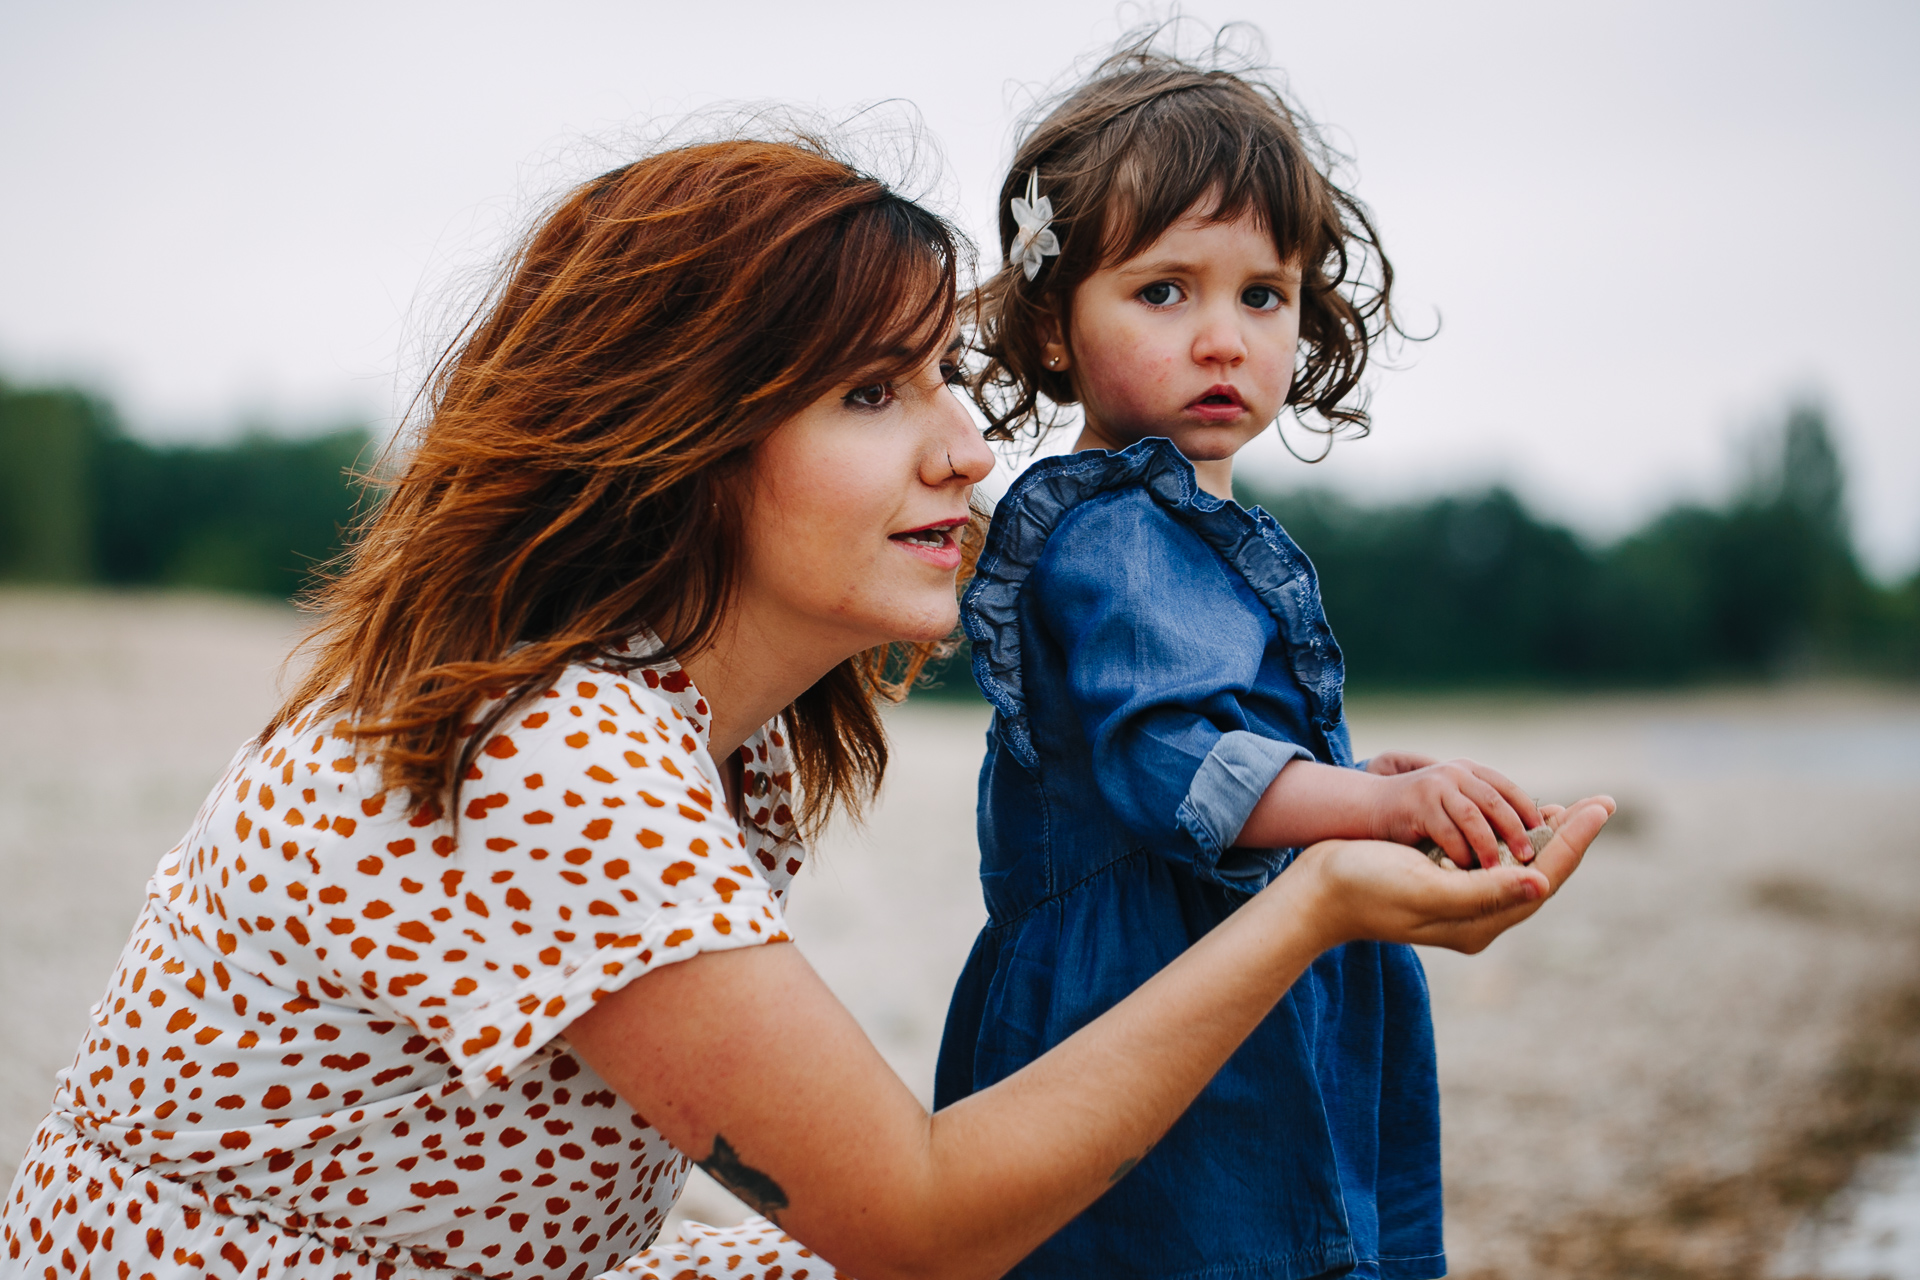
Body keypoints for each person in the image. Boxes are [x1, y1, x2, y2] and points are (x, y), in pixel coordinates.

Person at [3, 133, 1608, 1280]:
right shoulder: (555, 756)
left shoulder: (706, 724)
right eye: (870, 394)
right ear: (683, 434)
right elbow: (913, 1226)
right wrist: (1317, 896)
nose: (966, 451)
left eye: (943, 384)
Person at [934, 37, 1605, 1280]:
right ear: (1052, 321)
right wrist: (1379, 804)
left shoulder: (1179, 522)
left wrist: (1349, 781)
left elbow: (1239, 750)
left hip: (1226, 965)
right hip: (1154, 1001)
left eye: (1262, 293)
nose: (1223, 338)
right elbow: (1176, 762)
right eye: (1163, 290)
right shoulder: (1119, 526)